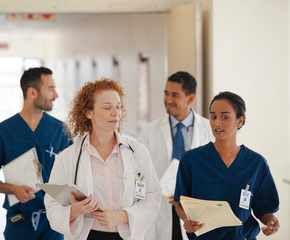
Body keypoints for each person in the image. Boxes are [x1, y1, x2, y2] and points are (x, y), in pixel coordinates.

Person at [44, 79, 162, 240]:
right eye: (107, 108)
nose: (115, 113)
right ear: (88, 112)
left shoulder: (138, 152)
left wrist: (123, 216)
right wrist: (74, 211)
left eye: (118, 107)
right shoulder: (68, 157)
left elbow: (152, 196)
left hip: (126, 234)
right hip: (87, 235)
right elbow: (52, 206)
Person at [174, 91, 280, 239]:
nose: (217, 122)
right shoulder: (191, 160)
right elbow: (180, 203)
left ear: (240, 121)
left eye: (224, 117)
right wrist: (187, 220)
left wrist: (271, 222)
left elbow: (264, 209)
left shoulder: (256, 163)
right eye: (213, 116)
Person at [0, 67, 72, 240]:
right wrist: (12, 189)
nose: (56, 95)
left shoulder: (61, 131)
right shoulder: (3, 132)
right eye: (50, 89)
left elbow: (74, 173)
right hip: (19, 221)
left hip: (53, 221)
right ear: (32, 92)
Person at [138, 71, 214, 240]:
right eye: (166, 93)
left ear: (190, 98)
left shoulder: (209, 130)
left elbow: (215, 173)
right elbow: (138, 173)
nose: (168, 100)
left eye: (175, 95)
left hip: (194, 211)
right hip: (159, 209)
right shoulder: (150, 131)